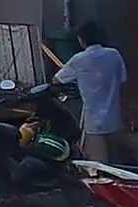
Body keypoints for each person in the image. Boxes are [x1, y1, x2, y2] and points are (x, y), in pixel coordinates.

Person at [54, 21, 128, 163]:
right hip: (115, 119)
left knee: (98, 164)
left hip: (94, 123)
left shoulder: (79, 59)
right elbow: (123, 80)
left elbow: (56, 80)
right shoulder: (114, 54)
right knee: (118, 163)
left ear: (81, 40)